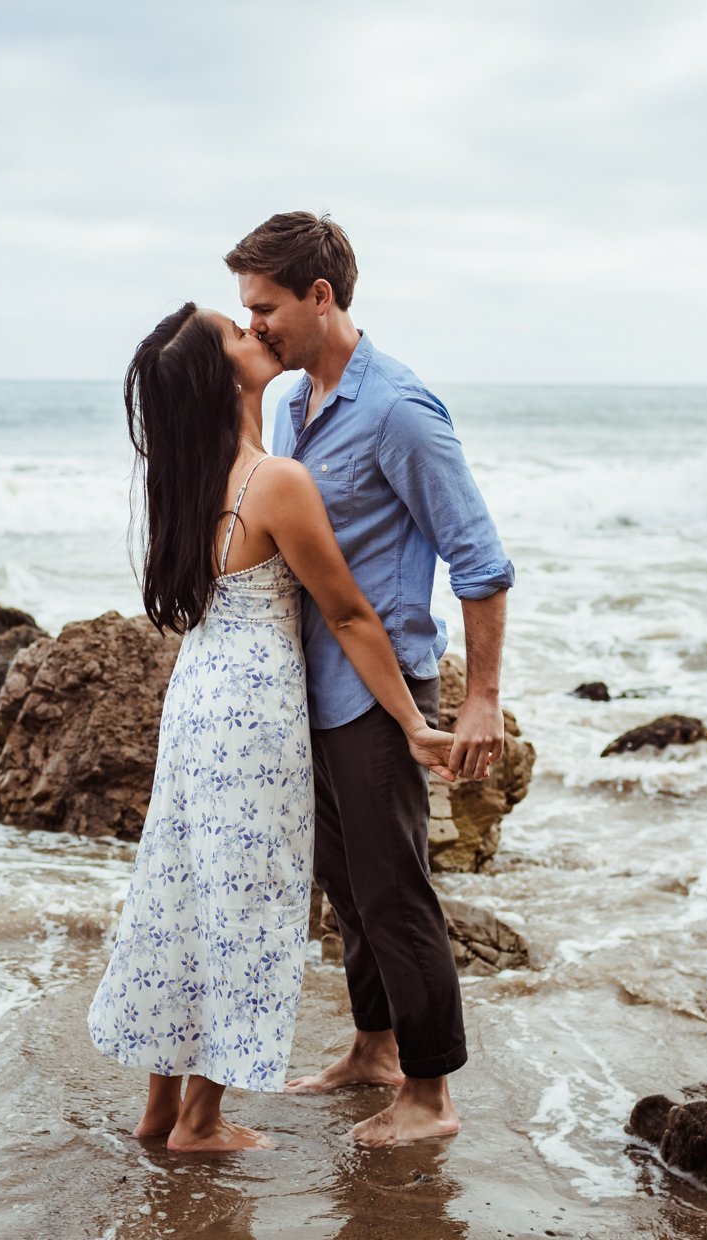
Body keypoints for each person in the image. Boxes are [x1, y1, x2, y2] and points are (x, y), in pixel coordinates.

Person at [87, 300, 459, 1151]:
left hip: (197, 702)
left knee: (181, 891)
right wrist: (410, 721)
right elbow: (353, 615)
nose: (255, 332)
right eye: (235, 333)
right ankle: (202, 1122)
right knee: (245, 901)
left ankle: (159, 1110)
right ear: (221, 378)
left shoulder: (188, 480)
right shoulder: (273, 480)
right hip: (254, 717)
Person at [226, 212, 514, 1147]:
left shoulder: (398, 409)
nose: (254, 325)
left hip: (382, 689)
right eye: (245, 309)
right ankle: (374, 1047)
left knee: (395, 887)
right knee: (347, 885)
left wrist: (481, 698)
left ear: (320, 295)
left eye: (265, 307)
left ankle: (430, 1096)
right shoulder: (290, 402)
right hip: (306, 682)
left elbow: (480, 558)